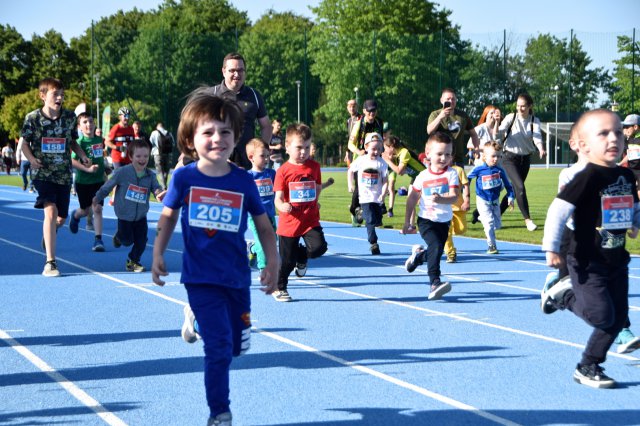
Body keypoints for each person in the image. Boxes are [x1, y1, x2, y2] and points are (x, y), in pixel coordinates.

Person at [151, 89, 278, 426]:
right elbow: (167, 218)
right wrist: (158, 253)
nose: (217, 138)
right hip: (200, 278)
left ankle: (194, 317)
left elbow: (264, 228)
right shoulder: (184, 178)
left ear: (237, 137)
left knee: (237, 348)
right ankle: (219, 412)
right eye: (207, 132)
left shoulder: (243, 182)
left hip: (236, 277)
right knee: (219, 349)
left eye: (225, 132)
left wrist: (273, 263)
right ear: (191, 140)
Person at [541, 109, 640, 389]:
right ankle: (565, 297)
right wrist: (550, 247)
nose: (613, 139)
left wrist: (634, 221)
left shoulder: (626, 175)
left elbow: (633, 207)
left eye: (618, 132)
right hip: (587, 260)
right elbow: (558, 211)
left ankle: (588, 366)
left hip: (617, 259)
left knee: (619, 317)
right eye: (603, 133)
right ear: (584, 145)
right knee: (602, 315)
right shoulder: (585, 176)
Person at [20, 77, 91, 277]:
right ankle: (50, 262)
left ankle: (51, 231)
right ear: (43, 96)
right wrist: (32, 159)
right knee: (50, 212)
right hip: (42, 173)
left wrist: (83, 155)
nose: (60, 98)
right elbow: (25, 144)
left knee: (61, 217)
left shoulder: (69, 118)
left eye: (62, 94)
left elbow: (73, 143)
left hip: (63, 175)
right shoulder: (32, 118)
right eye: (55, 94)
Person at [273, 123, 328, 302]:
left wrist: (315, 201)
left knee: (319, 248)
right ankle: (279, 287)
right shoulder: (283, 171)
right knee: (287, 261)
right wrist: (282, 206)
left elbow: (317, 187)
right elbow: (278, 198)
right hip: (290, 222)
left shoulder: (314, 167)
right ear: (287, 147)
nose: (303, 152)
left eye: (306, 147)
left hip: (309, 220)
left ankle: (302, 256)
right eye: (299, 148)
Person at [93, 139, 165, 272]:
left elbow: (156, 188)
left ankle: (133, 260)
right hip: (124, 215)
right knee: (127, 240)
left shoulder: (150, 175)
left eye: (145, 156)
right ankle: (119, 236)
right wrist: (97, 198)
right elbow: (108, 186)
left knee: (142, 240)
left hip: (141, 215)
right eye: (138, 156)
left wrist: (159, 193)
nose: (142, 159)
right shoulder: (123, 172)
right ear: (131, 157)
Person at [403, 132, 460, 301]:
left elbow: (454, 196)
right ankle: (435, 282)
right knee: (435, 247)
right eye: (439, 154)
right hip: (426, 220)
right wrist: (407, 221)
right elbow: (412, 198)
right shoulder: (422, 176)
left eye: (448, 154)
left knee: (435, 251)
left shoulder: (451, 174)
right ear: (428, 154)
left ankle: (419, 256)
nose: (444, 158)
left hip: (444, 221)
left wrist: (441, 199)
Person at [208, 52, 272, 170]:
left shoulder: (254, 95)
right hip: (218, 163)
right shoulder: (211, 94)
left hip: (247, 165)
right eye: (232, 70)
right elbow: (199, 128)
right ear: (223, 71)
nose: (237, 74)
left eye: (241, 70)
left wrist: (261, 150)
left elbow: (266, 126)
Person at [498, 93, 546, 231]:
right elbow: (500, 132)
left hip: (525, 160)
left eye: (523, 106)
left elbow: (537, 136)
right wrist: (496, 126)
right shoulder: (510, 117)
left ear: (530, 106)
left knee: (514, 190)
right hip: (509, 158)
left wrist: (541, 148)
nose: (520, 108)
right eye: (518, 106)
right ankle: (528, 220)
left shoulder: (534, 121)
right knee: (520, 187)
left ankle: (495, 215)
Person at [68, 112, 107, 252]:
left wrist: (104, 169)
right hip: (83, 182)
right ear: (79, 126)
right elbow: (72, 161)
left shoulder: (99, 140)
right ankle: (75, 215)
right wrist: (88, 169)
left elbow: (99, 158)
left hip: (98, 181)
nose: (88, 124)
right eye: (85, 122)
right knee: (85, 211)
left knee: (97, 208)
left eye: (91, 121)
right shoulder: (79, 142)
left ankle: (98, 239)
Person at [467, 141, 515, 254]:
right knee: (489, 224)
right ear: (484, 156)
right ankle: (491, 245)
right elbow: (467, 178)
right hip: (482, 199)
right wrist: (465, 190)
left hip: (495, 200)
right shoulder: (479, 169)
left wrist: (510, 197)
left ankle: (481, 218)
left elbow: (509, 185)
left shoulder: (500, 170)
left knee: (497, 225)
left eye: (499, 156)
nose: (496, 159)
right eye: (493, 156)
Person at [348, 132, 388, 255]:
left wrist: (383, 193)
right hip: (365, 197)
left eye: (379, 149)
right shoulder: (361, 160)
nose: (376, 152)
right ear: (366, 147)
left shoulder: (382, 164)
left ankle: (360, 212)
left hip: (377, 197)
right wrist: (351, 184)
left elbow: (385, 181)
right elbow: (350, 171)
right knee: (370, 220)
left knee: (377, 220)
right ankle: (373, 243)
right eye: (373, 149)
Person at [347, 99, 384, 226]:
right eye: (369, 111)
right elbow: (350, 144)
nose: (372, 113)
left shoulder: (379, 123)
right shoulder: (359, 124)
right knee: (360, 186)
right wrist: (359, 151)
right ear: (364, 111)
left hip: (375, 157)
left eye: (374, 111)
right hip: (361, 158)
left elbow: (381, 140)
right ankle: (354, 208)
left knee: (377, 182)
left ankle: (377, 207)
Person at [245, 138, 278, 271]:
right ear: (251, 157)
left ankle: (252, 249)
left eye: (267, 156)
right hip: (255, 217)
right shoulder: (248, 176)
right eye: (262, 156)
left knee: (271, 241)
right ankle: (263, 268)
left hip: (270, 215)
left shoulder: (272, 174)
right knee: (262, 243)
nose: (266, 159)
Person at [427, 87, 480, 166]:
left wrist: (476, 148)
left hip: (457, 159)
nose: (451, 101)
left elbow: (473, 134)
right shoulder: (435, 114)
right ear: (441, 100)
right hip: (440, 159)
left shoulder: (463, 116)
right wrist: (440, 116)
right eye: (448, 99)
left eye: (453, 99)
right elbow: (429, 131)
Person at [381, 135, 426, 230]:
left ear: (391, 146)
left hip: (424, 177)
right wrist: (391, 159)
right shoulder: (398, 154)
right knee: (411, 201)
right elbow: (401, 172)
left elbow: (399, 171)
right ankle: (411, 226)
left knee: (424, 202)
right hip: (416, 178)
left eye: (385, 148)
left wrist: (388, 160)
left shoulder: (404, 152)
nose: (385, 150)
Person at [443, 159, 470, 263]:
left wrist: (467, 200)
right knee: (447, 232)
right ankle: (450, 253)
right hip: (445, 207)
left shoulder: (458, 170)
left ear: (452, 156)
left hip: (458, 207)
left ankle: (449, 232)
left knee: (461, 229)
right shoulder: (439, 171)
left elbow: (466, 185)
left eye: (447, 155)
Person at [149, 122, 175, 190]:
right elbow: (173, 143)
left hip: (158, 154)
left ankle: (163, 186)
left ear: (157, 127)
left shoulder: (154, 132)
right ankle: (165, 185)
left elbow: (150, 142)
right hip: (168, 154)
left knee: (160, 171)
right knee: (166, 171)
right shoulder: (169, 133)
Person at [619, 113, 640, 194]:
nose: (625, 129)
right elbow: (629, 154)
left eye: (627, 127)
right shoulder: (629, 139)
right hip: (631, 169)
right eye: (624, 127)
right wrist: (619, 164)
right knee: (628, 190)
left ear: (635, 127)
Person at [344, 99, 360, 166]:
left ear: (357, 107)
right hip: (351, 151)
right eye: (350, 106)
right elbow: (349, 137)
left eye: (353, 106)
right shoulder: (348, 121)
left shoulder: (361, 119)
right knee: (351, 173)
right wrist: (347, 152)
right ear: (347, 108)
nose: (352, 108)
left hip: (358, 150)